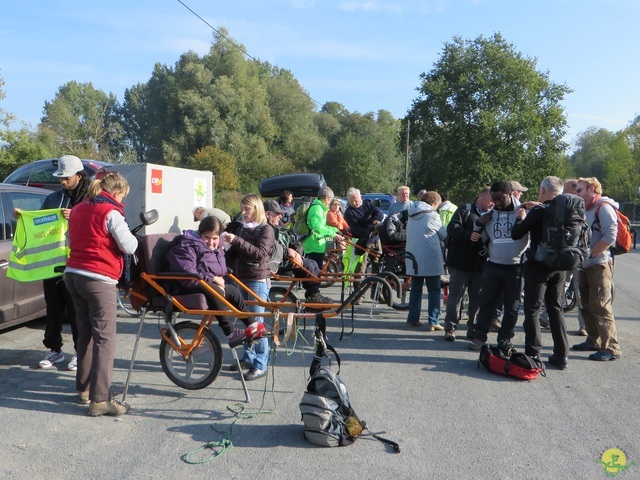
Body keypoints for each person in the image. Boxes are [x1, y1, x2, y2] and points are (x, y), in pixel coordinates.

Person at [64, 172, 137, 416]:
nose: (123, 202)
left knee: (85, 335)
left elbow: (69, 239)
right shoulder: (111, 212)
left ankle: (84, 390)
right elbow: (129, 246)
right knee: (105, 339)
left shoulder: (78, 208)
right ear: (117, 193)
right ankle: (101, 399)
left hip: (73, 274)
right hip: (99, 278)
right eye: (123, 197)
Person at [165, 216, 266, 347]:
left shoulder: (216, 248)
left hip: (203, 281)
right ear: (200, 234)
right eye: (207, 237)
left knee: (233, 291)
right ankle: (230, 333)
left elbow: (218, 268)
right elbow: (188, 271)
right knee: (216, 291)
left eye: (215, 238)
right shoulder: (187, 245)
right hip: (187, 283)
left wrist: (216, 277)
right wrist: (212, 278)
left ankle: (252, 324)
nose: (211, 242)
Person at [511, 176, 577, 369]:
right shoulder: (567, 210)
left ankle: (533, 353)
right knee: (555, 308)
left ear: (542, 190)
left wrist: (520, 218)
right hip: (561, 265)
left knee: (532, 308)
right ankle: (562, 355)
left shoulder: (539, 211)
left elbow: (517, 233)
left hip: (539, 265)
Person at [38, 155, 91, 371]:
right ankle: (54, 350)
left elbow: (98, 225)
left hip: (79, 263)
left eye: (66, 178)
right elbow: (39, 223)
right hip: (54, 262)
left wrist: (76, 215)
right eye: (60, 178)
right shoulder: (52, 199)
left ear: (79, 176)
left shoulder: (91, 198)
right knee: (53, 307)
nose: (62, 182)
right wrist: (22, 216)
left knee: (77, 309)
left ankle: (80, 353)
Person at [468, 181, 529, 351]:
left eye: (500, 198)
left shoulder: (523, 211)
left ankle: (505, 338)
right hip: (493, 265)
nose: (497, 202)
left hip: (515, 266)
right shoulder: (490, 214)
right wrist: (479, 222)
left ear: (510, 194)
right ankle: (479, 337)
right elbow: (476, 235)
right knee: (486, 302)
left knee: (512, 306)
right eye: (494, 199)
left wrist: (522, 218)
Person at [224, 194, 275, 381]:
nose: (243, 213)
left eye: (247, 209)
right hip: (240, 278)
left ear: (256, 209)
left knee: (257, 323)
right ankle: (248, 358)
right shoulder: (243, 228)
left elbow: (260, 254)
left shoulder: (266, 229)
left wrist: (236, 241)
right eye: (242, 209)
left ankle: (260, 365)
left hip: (257, 280)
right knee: (246, 320)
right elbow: (237, 253)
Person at [572, 177, 621, 361]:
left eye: (580, 190)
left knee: (601, 305)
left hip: (599, 264)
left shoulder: (604, 207)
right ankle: (593, 340)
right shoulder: (587, 208)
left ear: (592, 189)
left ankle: (611, 348)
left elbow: (610, 236)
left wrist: (590, 254)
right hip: (585, 264)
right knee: (586, 304)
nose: (578, 193)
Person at [442, 187, 493, 341]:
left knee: (476, 299)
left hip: (480, 264)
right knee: (455, 297)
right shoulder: (465, 209)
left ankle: (472, 328)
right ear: (483, 196)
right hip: (460, 263)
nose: (493, 204)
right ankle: (450, 328)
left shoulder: (493, 214)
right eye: (491, 200)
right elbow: (452, 229)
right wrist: (468, 234)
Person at [264, 200, 333, 303]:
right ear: (268, 214)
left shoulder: (277, 226)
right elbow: (273, 248)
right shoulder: (267, 229)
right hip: (278, 262)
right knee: (310, 265)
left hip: (285, 258)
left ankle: (314, 295)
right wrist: (290, 252)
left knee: (313, 264)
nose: (280, 216)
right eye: (277, 213)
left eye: (280, 214)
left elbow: (291, 238)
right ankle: (313, 296)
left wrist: (296, 249)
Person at [405, 191, 447, 330]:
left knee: (416, 289)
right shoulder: (432, 215)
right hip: (430, 257)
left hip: (413, 256)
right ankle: (433, 321)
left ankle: (413, 318)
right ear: (434, 203)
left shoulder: (411, 213)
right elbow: (443, 234)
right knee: (434, 289)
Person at [302, 186, 344, 272]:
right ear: (326, 198)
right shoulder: (317, 209)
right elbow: (317, 227)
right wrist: (333, 234)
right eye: (330, 200)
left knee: (316, 273)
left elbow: (322, 225)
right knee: (314, 274)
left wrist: (335, 230)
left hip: (316, 244)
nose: (330, 203)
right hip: (314, 245)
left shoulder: (318, 208)